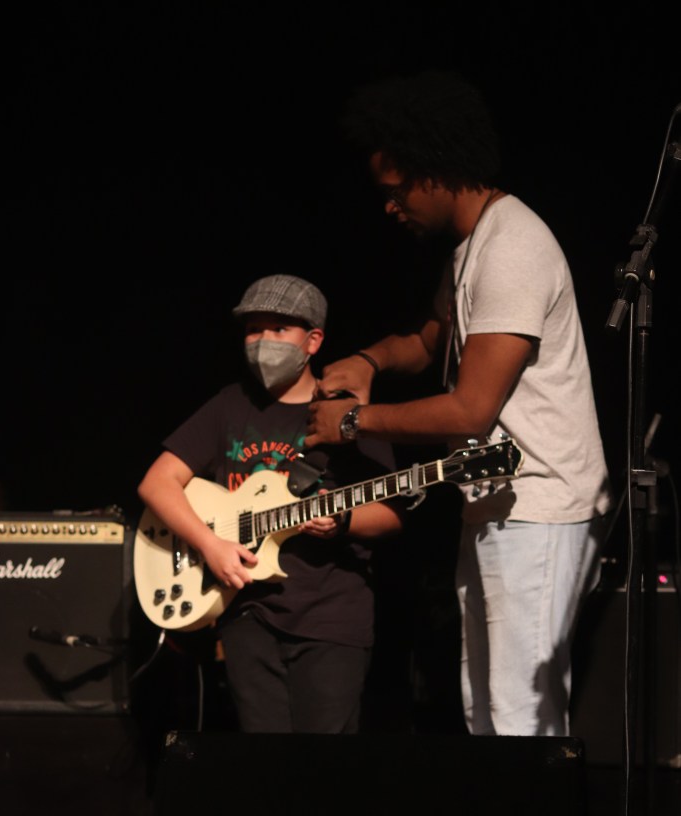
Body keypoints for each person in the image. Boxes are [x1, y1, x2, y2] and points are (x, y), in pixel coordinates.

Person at [305, 70, 613, 737]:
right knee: (485, 715)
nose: (390, 208)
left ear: (435, 170)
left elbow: (470, 410)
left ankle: (537, 814)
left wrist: (352, 421)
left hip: (538, 507)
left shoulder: (513, 248)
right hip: (496, 504)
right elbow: (428, 340)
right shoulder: (470, 250)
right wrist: (368, 361)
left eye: (395, 190)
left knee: (520, 719)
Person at [137, 273, 406, 733]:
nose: (263, 341)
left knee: (323, 761)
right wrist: (209, 544)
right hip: (247, 611)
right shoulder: (230, 405)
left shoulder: (347, 413)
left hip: (331, 616)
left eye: (279, 329)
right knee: (263, 759)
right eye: (253, 329)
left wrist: (343, 521)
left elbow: (392, 513)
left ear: (313, 340)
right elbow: (157, 483)